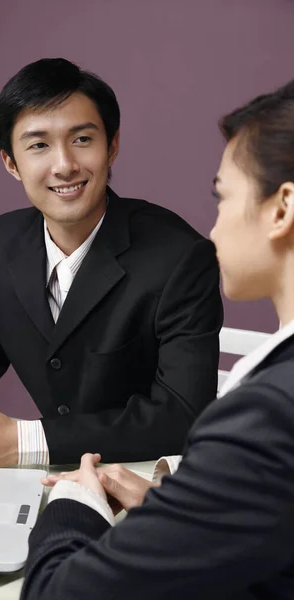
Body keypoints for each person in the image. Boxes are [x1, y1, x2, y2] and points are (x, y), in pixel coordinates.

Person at [20, 79, 294, 600]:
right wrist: (192, 512)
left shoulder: (267, 416)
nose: (212, 231)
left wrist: (73, 508)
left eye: (223, 197)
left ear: (281, 209)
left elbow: (55, 595)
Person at [0, 58, 222, 468]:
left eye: (82, 139)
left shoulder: (179, 257)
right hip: (47, 479)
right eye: (38, 145)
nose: (64, 164)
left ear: (112, 146)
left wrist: (20, 439)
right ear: (11, 163)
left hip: (146, 481)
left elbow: (183, 416)